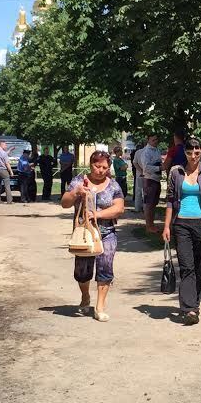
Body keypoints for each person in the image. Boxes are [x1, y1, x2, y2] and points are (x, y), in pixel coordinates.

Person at [61, 151, 125, 322]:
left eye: (105, 167)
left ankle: (100, 306)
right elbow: (64, 203)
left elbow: (119, 208)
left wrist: (99, 214)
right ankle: (85, 297)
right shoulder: (78, 181)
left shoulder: (113, 186)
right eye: (97, 166)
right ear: (91, 164)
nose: (101, 170)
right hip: (84, 234)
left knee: (105, 269)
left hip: (106, 233)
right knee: (82, 272)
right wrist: (76, 192)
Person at [162, 138, 201, 325]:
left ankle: (194, 301)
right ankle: (189, 309)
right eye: (189, 153)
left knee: (198, 268)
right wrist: (167, 226)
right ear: (184, 153)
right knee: (186, 267)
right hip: (181, 224)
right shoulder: (176, 172)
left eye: (197, 152)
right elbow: (170, 200)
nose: (193, 156)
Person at [138, 133, 163, 232]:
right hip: (149, 179)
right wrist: (159, 167)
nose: (155, 141)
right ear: (148, 140)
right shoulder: (146, 152)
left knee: (153, 203)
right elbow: (146, 167)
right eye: (153, 140)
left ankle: (152, 224)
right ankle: (149, 226)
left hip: (156, 179)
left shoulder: (157, 150)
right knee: (149, 203)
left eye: (156, 139)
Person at [133, 144, 145, 213]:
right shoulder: (150, 152)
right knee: (146, 191)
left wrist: (140, 170)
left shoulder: (138, 152)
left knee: (138, 191)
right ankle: (145, 208)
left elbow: (134, 162)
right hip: (148, 174)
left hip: (139, 173)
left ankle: (137, 208)